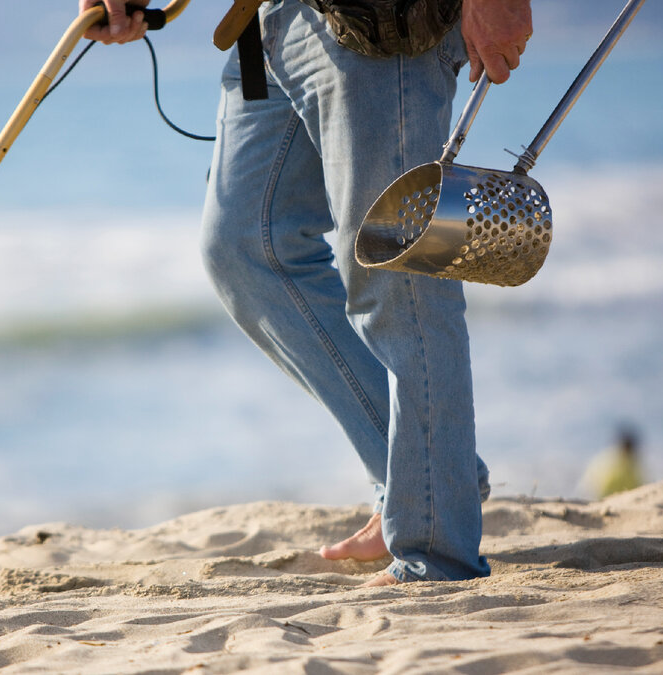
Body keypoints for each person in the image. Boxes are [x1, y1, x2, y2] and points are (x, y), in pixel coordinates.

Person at [81, 0, 533, 584]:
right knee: (242, 246)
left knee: (399, 276)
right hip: (271, 18)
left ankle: (436, 551)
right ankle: (422, 482)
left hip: (382, 26)